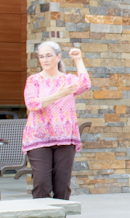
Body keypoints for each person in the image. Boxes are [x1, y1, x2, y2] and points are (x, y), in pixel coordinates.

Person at [23, 41, 90, 200]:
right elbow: (33, 104)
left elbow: (85, 84)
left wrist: (78, 59)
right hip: (39, 138)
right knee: (42, 183)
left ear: (58, 57)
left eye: (48, 55)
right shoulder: (34, 80)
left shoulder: (68, 80)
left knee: (62, 185)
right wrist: (59, 94)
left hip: (65, 138)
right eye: (41, 56)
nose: (45, 60)